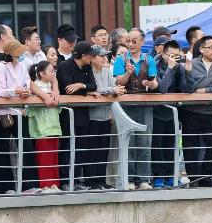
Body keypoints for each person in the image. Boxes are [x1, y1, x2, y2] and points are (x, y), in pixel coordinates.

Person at [112, 28, 158, 190]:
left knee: (145, 142)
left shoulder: (149, 59)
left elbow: (155, 83)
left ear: (142, 42)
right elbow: (119, 82)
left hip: (145, 105)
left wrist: (150, 84)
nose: (130, 44)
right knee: (129, 142)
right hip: (126, 106)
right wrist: (127, 73)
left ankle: (144, 179)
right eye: (128, 41)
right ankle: (129, 178)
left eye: (134, 41)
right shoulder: (121, 59)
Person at [182, 35, 212, 187]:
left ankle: (205, 177)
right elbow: (187, 87)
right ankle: (193, 178)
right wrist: (188, 73)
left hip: (210, 111)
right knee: (190, 147)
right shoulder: (192, 64)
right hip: (190, 111)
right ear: (201, 49)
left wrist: (206, 90)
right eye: (210, 47)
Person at [0, 39, 35, 194]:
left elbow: (27, 84)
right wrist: (15, 91)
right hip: (3, 112)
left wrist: (25, 92)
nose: (21, 54)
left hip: (20, 110)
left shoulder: (23, 66)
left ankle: (29, 185)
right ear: (11, 54)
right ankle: (4, 187)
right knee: (3, 148)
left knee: (27, 146)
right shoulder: (1, 66)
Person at [56, 41, 97, 190]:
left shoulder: (87, 67)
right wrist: (87, 91)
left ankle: (76, 179)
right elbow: (68, 88)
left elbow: (93, 86)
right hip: (68, 113)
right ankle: (66, 181)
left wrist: (81, 85)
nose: (92, 58)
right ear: (84, 56)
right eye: (91, 55)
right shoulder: (64, 66)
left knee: (81, 147)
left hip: (83, 113)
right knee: (68, 146)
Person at [89, 45, 125, 189]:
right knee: (93, 151)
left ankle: (101, 181)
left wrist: (116, 90)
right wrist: (112, 89)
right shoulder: (88, 71)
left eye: (105, 55)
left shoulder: (107, 71)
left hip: (106, 116)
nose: (104, 58)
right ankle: (92, 181)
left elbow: (111, 88)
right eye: (101, 56)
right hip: (92, 116)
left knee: (104, 150)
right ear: (92, 58)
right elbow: (94, 89)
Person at [154, 40, 188, 188]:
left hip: (173, 112)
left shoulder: (179, 67)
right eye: (171, 55)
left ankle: (171, 177)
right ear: (163, 54)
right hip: (156, 111)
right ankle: (158, 177)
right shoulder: (154, 65)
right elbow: (162, 88)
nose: (174, 58)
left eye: (176, 55)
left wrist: (187, 71)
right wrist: (170, 68)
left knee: (172, 146)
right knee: (157, 146)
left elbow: (185, 89)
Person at [26, 60, 62, 192]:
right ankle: (45, 185)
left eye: (54, 71)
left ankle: (55, 184)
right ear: (41, 73)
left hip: (54, 125)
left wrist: (55, 91)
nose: (54, 73)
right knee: (44, 158)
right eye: (51, 71)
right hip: (41, 128)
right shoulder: (36, 86)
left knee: (53, 158)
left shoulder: (51, 87)